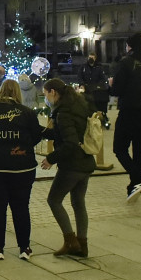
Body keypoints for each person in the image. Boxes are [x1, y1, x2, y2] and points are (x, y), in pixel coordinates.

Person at [0, 79, 43, 260]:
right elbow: (35, 136)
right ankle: (24, 248)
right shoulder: (26, 112)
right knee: (21, 207)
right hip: (22, 168)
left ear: (0, 91)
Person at [40, 78, 96, 258]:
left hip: (72, 165)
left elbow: (70, 143)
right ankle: (82, 244)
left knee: (54, 200)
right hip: (85, 162)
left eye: (45, 94)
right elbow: (65, 134)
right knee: (78, 203)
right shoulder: (77, 106)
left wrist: (51, 158)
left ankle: (71, 241)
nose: (45, 98)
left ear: (53, 92)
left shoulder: (63, 113)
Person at [109, 32, 141, 203]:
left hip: (129, 112)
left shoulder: (126, 62)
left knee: (119, 148)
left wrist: (110, 85)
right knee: (140, 152)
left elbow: (117, 90)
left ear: (129, 46)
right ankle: (134, 186)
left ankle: (138, 179)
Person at [78, 54, 110, 129]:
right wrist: (82, 84)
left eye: (92, 58)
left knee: (100, 101)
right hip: (86, 88)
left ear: (95, 58)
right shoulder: (83, 67)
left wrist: (99, 85)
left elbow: (103, 78)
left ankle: (102, 117)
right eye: (89, 57)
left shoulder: (99, 67)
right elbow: (79, 77)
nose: (90, 59)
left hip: (96, 89)